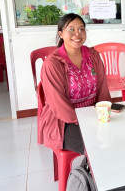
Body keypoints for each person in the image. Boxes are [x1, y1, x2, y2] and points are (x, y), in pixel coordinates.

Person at [39, 13, 110, 155]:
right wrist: (87, 121)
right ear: (61, 34)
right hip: (63, 121)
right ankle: (85, 176)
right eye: (71, 29)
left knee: (115, 138)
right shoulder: (53, 63)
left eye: (81, 29)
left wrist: (103, 112)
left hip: (92, 113)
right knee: (96, 148)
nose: (77, 34)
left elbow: (102, 87)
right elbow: (58, 104)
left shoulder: (93, 55)